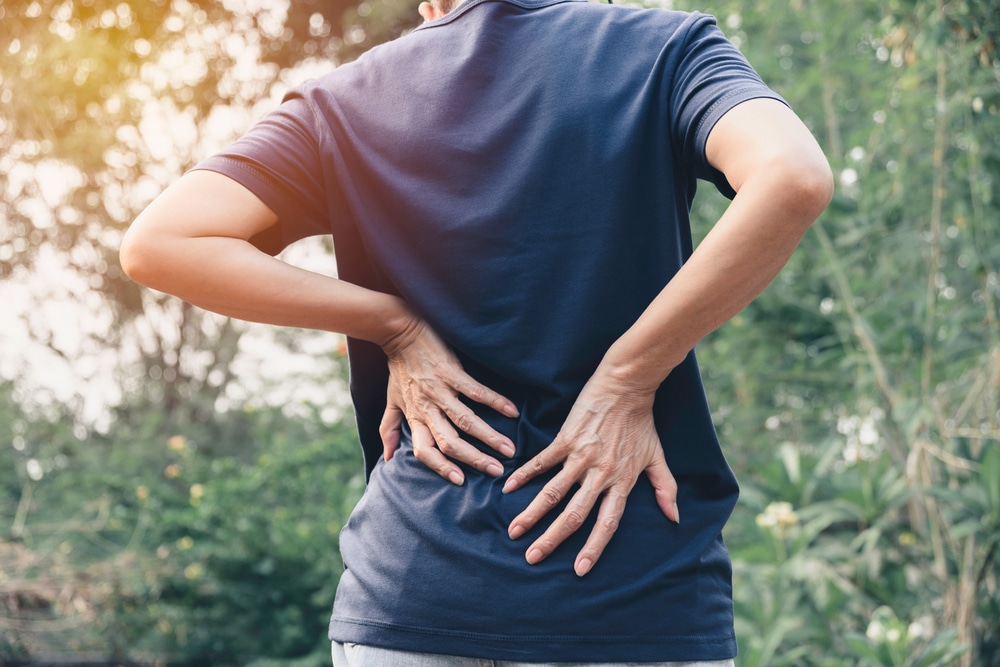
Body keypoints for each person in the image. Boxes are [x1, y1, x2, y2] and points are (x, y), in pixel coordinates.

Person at [119, 0, 833, 663]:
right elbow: (792, 175)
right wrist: (629, 375)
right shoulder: (665, 50)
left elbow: (160, 242)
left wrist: (390, 324)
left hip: (411, 588)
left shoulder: (343, 101)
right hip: (627, 587)